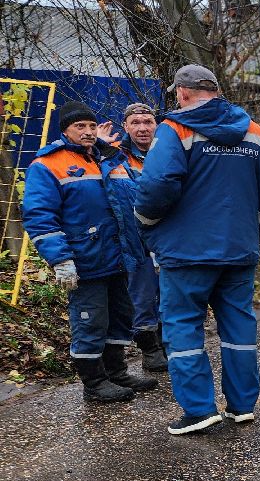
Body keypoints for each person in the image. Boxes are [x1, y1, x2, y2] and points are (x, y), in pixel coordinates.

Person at [134, 64, 260, 436]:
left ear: (184, 93)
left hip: (186, 252)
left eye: (177, 92)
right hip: (238, 250)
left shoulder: (174, 130)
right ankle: (242, 407)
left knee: (182, 326)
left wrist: (146, 222)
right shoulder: (257, 134)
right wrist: (255, 225)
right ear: (217, 91)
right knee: (238, 326)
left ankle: (199, 410)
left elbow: (157, 185)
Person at [21, 100, 160, 403]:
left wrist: (149, 247)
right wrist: (60, 259)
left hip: (120, 258)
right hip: (86, 260)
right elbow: (39, 215)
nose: (87, 132)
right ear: (65, 131)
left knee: (119, 317)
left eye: (91, 126)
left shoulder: (109, 159)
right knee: (90, 321)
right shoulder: (48, 165)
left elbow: (135, 202)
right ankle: (94, 383)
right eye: (79, 126)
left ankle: (117, 372)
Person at [96, 102, 165, 371]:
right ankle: (149, 348)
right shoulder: (116, 156)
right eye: (135, 123)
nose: (142, 128)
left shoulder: (167, 153)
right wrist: (101, 148)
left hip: (167, 234)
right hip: (134, 237)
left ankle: (166, 343)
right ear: (125, 126)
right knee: (142, 293)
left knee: (169, 293)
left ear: (155, 125)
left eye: (147, 122)